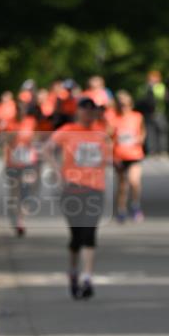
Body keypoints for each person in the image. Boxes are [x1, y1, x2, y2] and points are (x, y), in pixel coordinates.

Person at [44, 97, 112, 299]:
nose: (89, 114)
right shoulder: (68, 130)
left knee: (89, 232)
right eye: (85, 110)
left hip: (95, 189)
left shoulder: (101, 132)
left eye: (92, 111)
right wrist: (57, 171)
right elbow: (47, 149)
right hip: (72, 190)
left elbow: (109, 153)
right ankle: (73, 272)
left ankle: (87, 277)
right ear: (78, 111)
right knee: (76, 236)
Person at [2, 99, 39, 236]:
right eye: (18, 109)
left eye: (22, 109)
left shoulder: (31, 121)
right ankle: (18, 217)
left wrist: (32, 140)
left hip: (28, 161)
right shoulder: (10, 123)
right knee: (16, 191)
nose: (20, 112)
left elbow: (36, 138)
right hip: (13, 162)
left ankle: (21, 217)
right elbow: (5, 141)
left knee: (27, 189)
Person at [113, 91, 146, 222]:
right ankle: (121, 210)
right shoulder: (113, 119)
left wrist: (140, 138)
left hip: (134, 154)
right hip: (119, 155)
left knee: (134, 181)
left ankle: (135, 205)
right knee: (122, 185)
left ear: (130, 105)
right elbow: (109, 137)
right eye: (121, 105)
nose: (123, 107)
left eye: (126, 105)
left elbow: (143, 131)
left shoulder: (137, 117)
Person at [141, 70, 169, 155]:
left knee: (162, 131)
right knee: (150, 132)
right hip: (148, 113)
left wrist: (152, 89)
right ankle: (152, 151)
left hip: (158, 112)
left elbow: (165, 97)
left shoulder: (161, 87)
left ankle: (163, 150)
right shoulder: (145, 87)